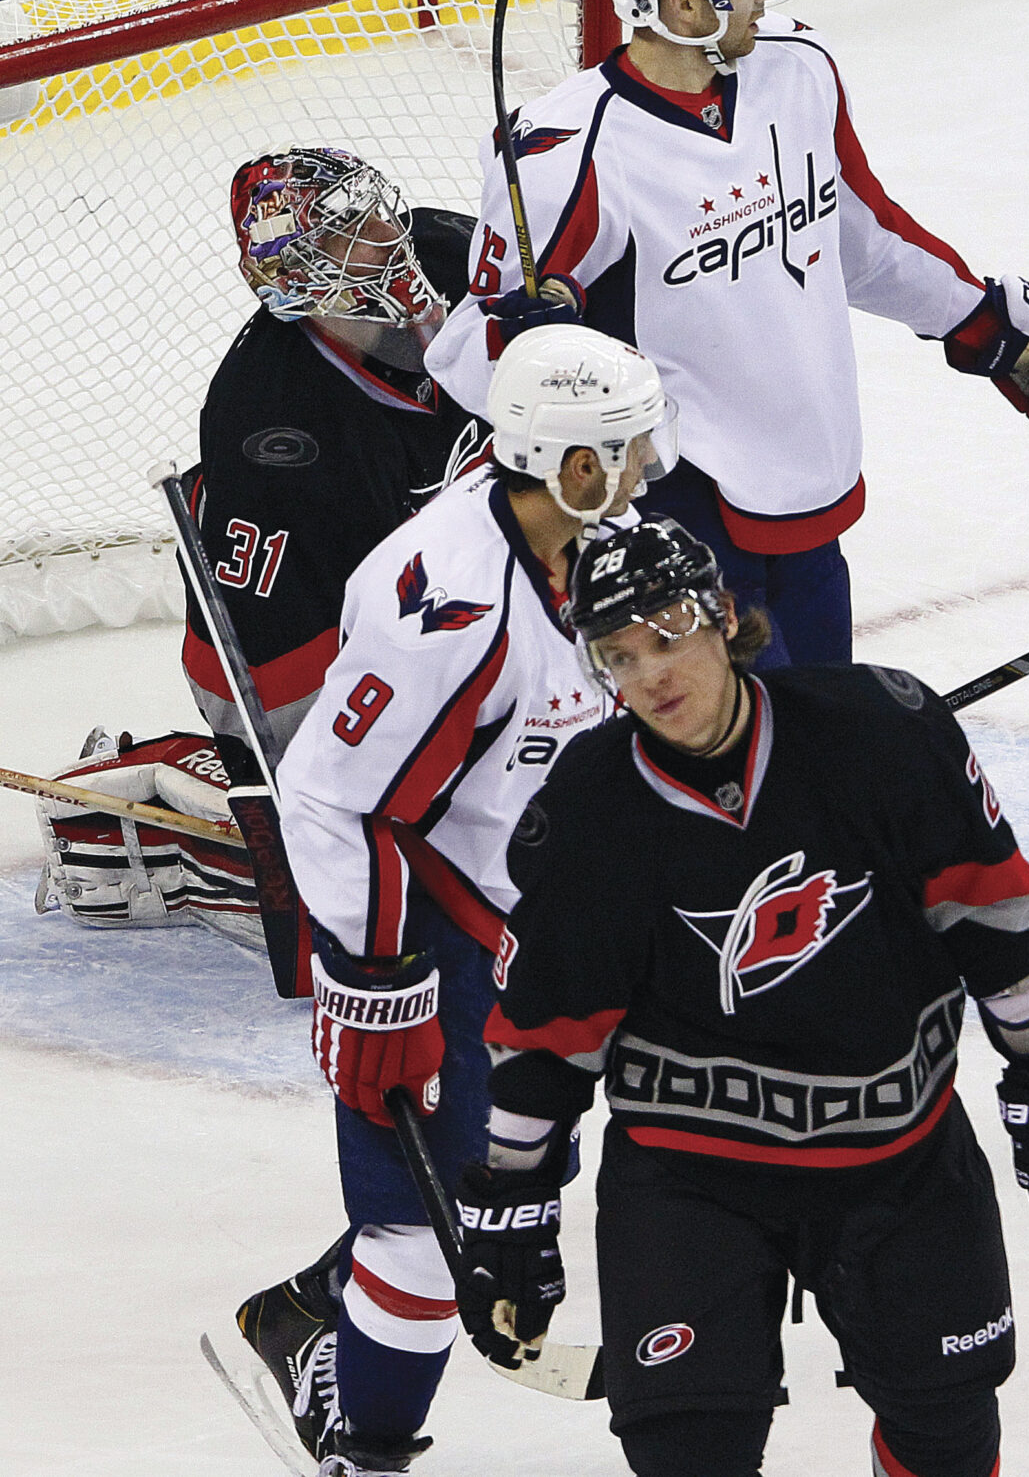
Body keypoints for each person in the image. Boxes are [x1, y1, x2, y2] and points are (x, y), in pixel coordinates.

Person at [453, 518, 1029, 1477]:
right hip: (691, 1176)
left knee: (947, 1439)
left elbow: (991, 914)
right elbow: (549, 1035)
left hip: (900, 1157)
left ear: (724, 615)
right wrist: (513, 1197)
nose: (652, 674)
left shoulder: (881, 731)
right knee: (688, 1453)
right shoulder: (590, 811)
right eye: (619, 654)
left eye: (670, 628)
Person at [424, 0, 1029, 668]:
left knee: (816, 748)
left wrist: (988, 330)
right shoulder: (567, 155)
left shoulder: (796, 67)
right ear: (685, 3)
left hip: (804, 490)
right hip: (676, 514)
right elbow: (476, 354)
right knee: (752, 755)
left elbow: (861, 237)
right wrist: (534, 344)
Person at [224, 326, 674, 1475]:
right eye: (627, 447)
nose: (651, 463)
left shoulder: (595, 536)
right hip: (438, 922)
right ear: (569, 465)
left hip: (549, 909)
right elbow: (330, 801)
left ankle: (314, 1310)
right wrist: (380, 985)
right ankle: (365, 1448)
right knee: (429, 1234)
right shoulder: (456, 615)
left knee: (511, 1184)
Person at [34, 150, 482, 950]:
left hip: (435, 589)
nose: (389, 233)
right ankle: (178, 801)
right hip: (288, 658)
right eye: (348, 232)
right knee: (424, 856)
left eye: (374, 209)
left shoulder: (453, 249)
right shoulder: (278, 427)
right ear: (297, 275)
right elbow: (298, 669)